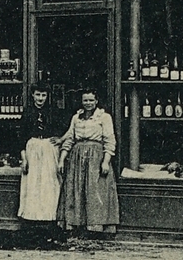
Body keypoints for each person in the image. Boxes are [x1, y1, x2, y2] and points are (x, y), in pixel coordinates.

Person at [56, 89, 120, 238]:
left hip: (96, 157)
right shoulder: (76, 118)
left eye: (91, 100)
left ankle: (95, 227)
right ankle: (76, 225)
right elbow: (70, 139)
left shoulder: (104, 117)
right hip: (77, 158)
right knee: (76, 189)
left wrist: (105, 161)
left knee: (95, 190)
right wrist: (61, 159)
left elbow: (110, 141)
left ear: (96, 101)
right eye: (85, 100)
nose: (88, 103)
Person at [17, 87, 63, 245]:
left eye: (43, 95)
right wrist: (24, 158)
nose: (40, 98)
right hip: (33, 148)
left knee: (49, 183)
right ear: (33, 95)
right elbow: (21, 137)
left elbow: (65, 130)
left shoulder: (54, 111)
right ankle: (31, 219)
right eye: (38, 95)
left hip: (49, 148)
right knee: (33, 183)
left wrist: (59, 139)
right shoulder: (27, 112)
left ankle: (49, 219)